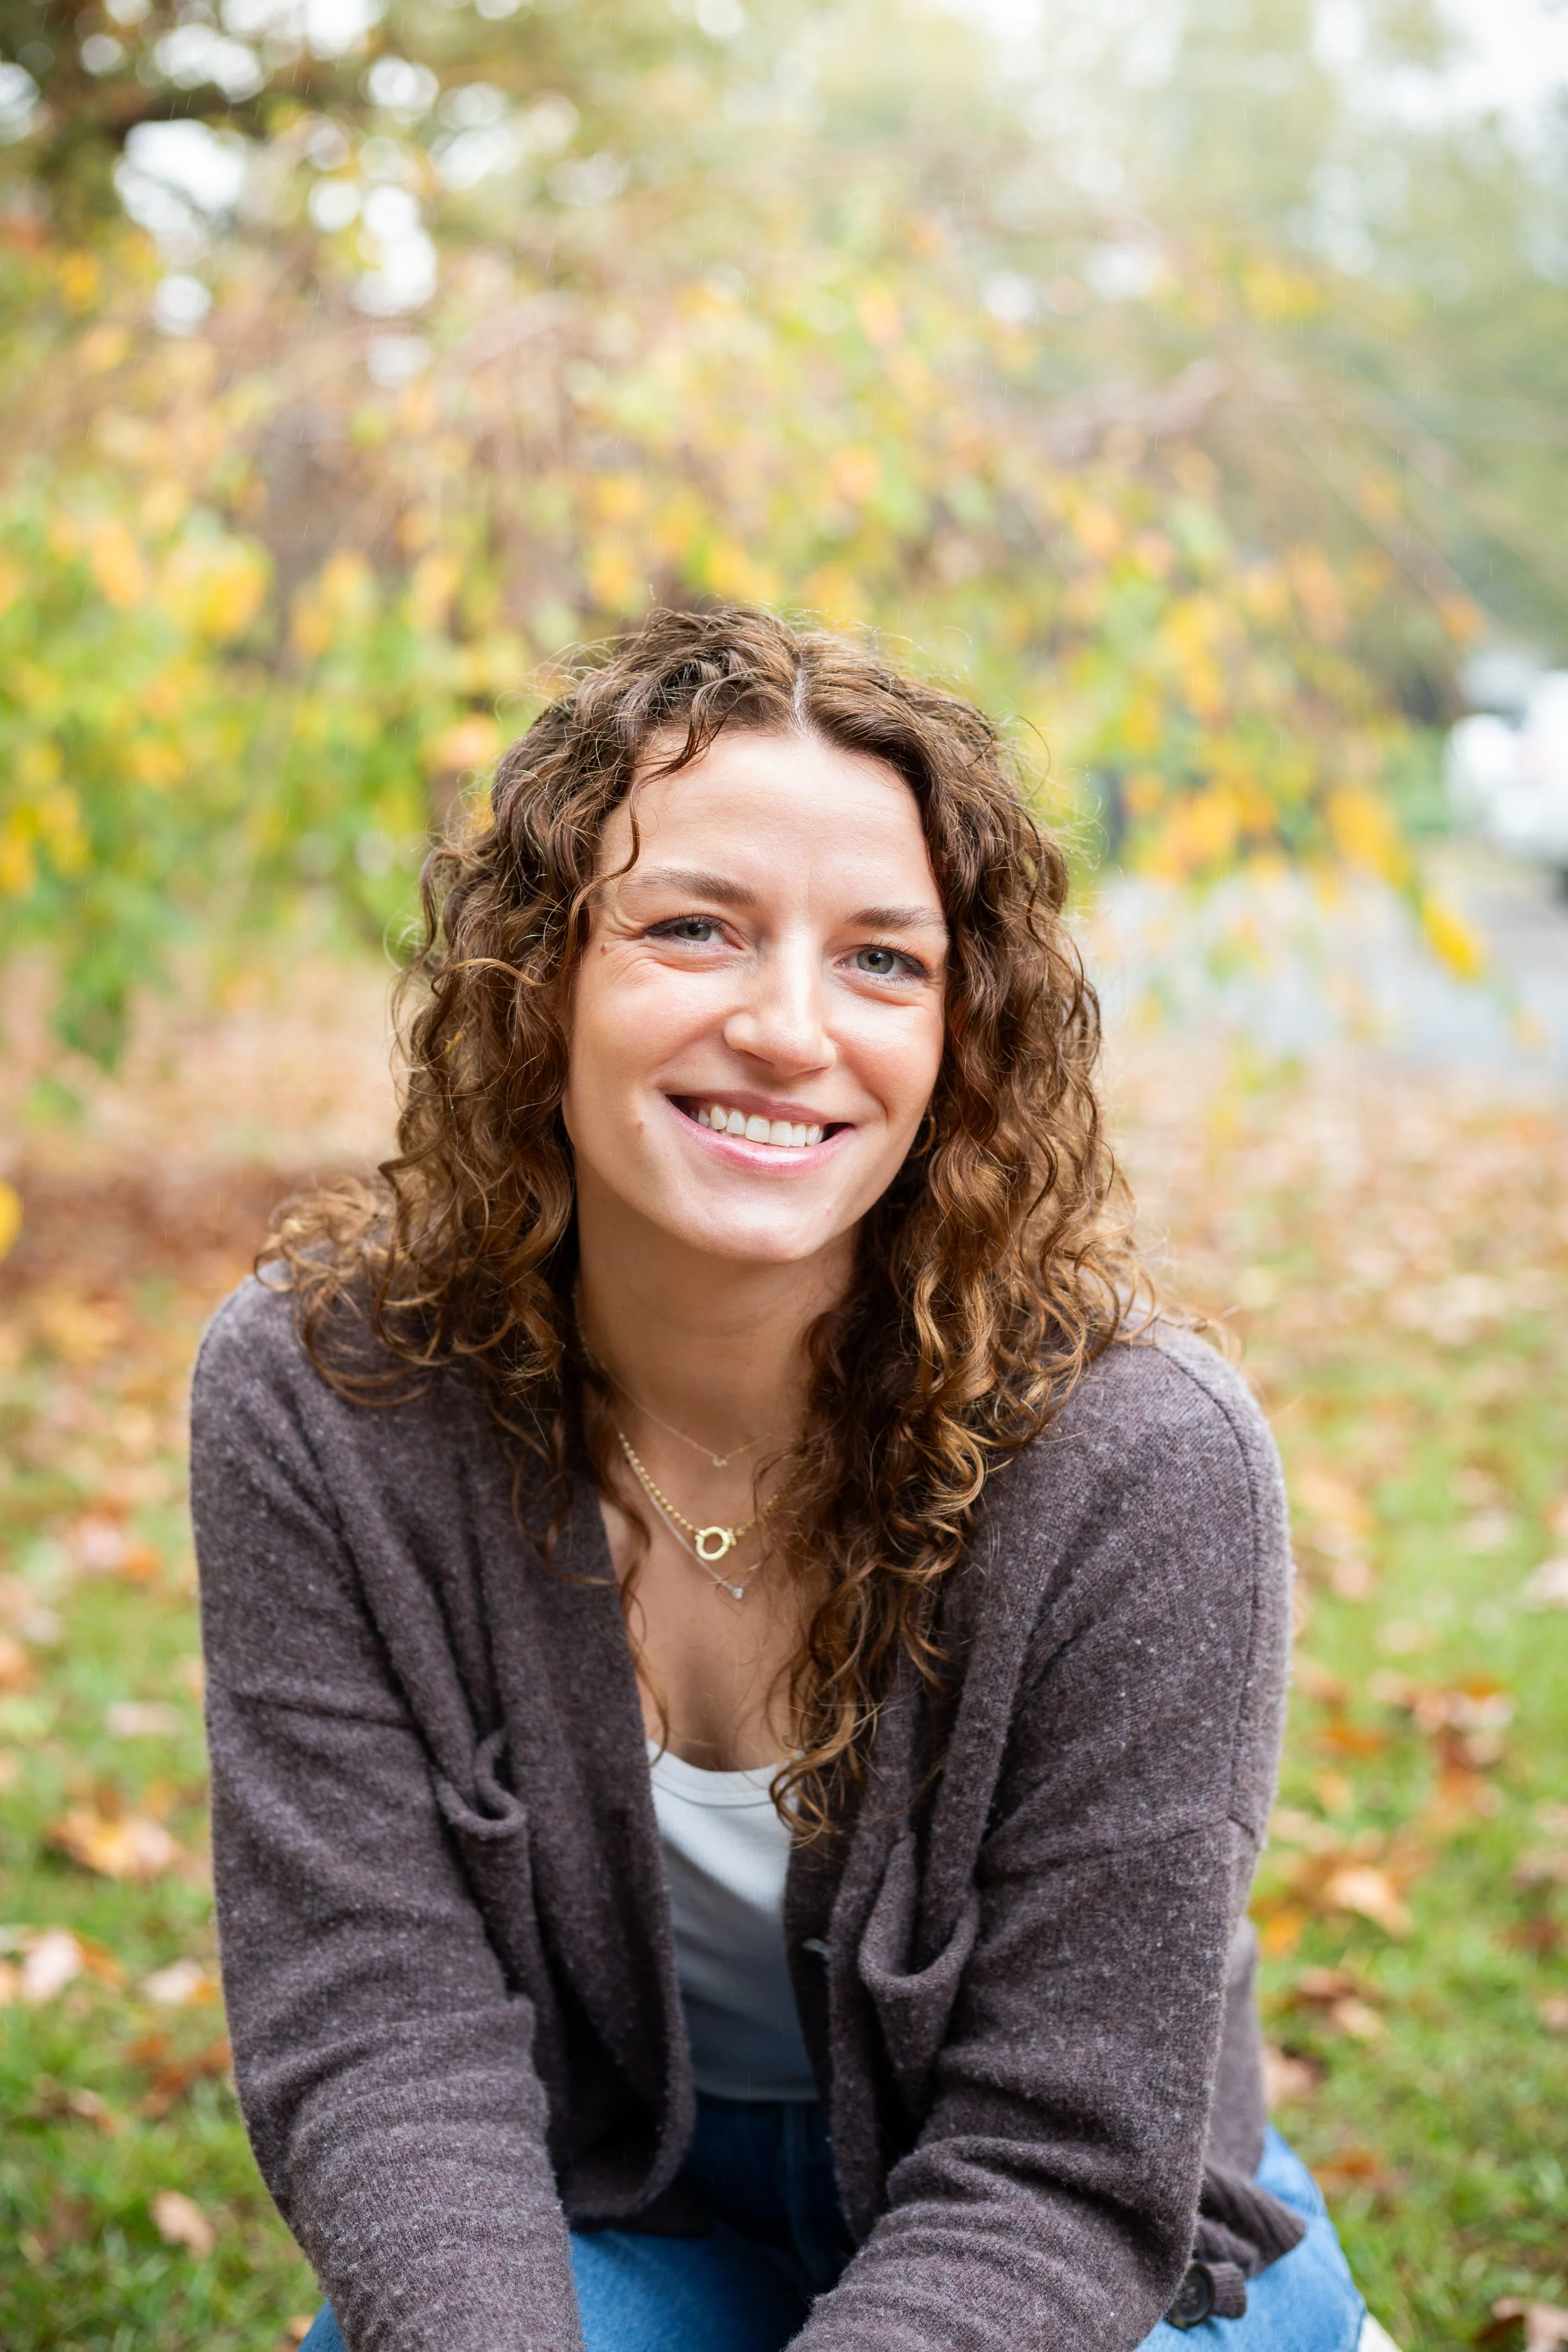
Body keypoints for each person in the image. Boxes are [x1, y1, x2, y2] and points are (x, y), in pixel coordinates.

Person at [192, 606, 1381, 2352]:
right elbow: (376, 2027)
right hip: (623, 2193)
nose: (786, 1025)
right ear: (539, 983)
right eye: (694, 928)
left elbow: (1059, 2154)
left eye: (883, 960)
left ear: (959, 1037)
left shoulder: (1140, 1464)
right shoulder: (327, 1398)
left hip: (1061, 2236)